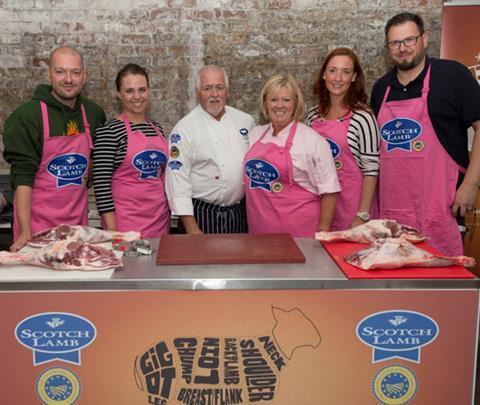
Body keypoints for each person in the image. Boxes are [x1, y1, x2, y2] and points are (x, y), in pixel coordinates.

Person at [371, 12, 480, 255]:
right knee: (394, 287)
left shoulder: (453, 76)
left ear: (425, 38)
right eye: (395, 43)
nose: (402, 48)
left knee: (440, 285)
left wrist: (470, 186)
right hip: (392, 212)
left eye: (409, 40)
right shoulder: (381, 89)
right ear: (388, 48)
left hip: (441, 208)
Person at [3, 45, 106, 252]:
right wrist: (25, 231)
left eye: (75, 72)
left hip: (77, 228)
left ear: (84, 76)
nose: (68, 79)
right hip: (36, 229)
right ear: (49, 74)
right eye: (60, 71)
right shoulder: (26, 117)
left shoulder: (93, 113)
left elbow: (95, 160)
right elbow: (22, 178)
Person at [244, 74, 340, 237]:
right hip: (260, 230)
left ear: (296, 103)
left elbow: (329, 191)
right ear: (265, 103)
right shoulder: (255, 135)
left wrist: (322, 233)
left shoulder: (312, 140)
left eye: (286, 100)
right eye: (274, 100)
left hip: (299, 232)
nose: (279, 106)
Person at [165, 65, 255, 234]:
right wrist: (192, 229)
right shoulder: (184, 129)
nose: (214, 94)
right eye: (207, 88)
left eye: (219, 88)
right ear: (197, 92)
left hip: (238, 215)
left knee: (240, 260)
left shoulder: (245, 121)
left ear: (227, 91)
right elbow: (177, 181)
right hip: (201, 216)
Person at [92, 64, 170, 237]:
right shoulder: (109, 132)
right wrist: (112, 231)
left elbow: (163, 175)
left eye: (142, 90)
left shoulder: (157, 128)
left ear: (149, 91)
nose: (137, 96)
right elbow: (101, 184)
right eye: (129, 91)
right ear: (119, 94)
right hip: (125, 225)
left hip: (160, 220)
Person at [306, 47, 380, 230]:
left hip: (353, 212)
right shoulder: (311, 117)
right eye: (332, 71)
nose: (338, 78)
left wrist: (362, 215)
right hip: (319, 210)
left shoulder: (364, 117)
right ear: (324, 74)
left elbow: (371, 170)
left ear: (354, 77)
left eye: (345, 72)